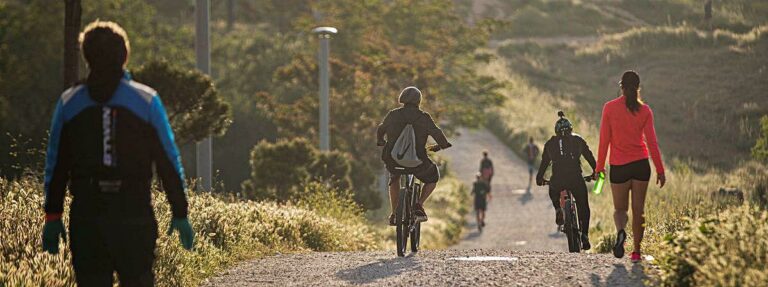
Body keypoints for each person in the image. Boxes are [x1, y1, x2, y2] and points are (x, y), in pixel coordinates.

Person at [41, 21, 194, 286]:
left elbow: (56, 164)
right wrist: (180, 212)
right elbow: (168, 160)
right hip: (134, 214)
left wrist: (52, 216)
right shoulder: (146, 100)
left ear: (86, 57)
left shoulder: (69, 102)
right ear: (125, 55)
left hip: (87, 217)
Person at [596, 70, 666, 263]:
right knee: (639, 211)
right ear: (638, 88)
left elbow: (604, 140)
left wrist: (599, 168)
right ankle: (636, 252)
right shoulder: (645, 111)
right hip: (641, 166)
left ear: (621, 87)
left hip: (619, 166)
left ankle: (620, 232)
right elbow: (652, 143)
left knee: (620, 210)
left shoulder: (609, 108)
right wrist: (660, 169)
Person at [377, 86, 452, 225]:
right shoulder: (423, 117)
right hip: (418, 163)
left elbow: (381, 129)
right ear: (419, 101)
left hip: (394, 161)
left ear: (402, 98)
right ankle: (419, 204)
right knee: (432, 178)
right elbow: (437, 133)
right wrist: (442, 145)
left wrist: (380, 141)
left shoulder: (393, 114)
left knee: (394, 179)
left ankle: (394, 214)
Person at [536, 111, 596, 251]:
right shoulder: (578, 140)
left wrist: (540, 178)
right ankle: (585, 235)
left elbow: (544, 163)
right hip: (575, 178)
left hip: (558, 179)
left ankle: (558, 208)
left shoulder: (550, 143)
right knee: (583, 205)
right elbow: (590, 157)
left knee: (553, 189)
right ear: (571, 129)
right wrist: (595, 171)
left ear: (556, 132)